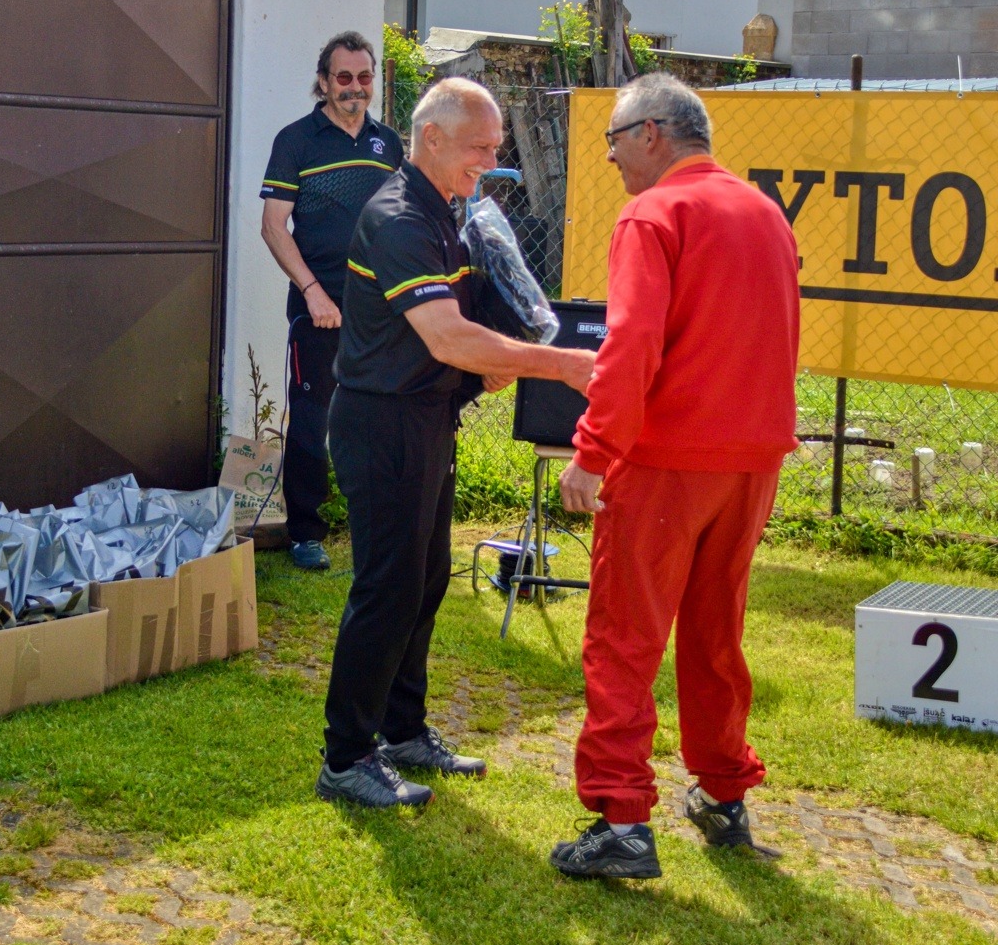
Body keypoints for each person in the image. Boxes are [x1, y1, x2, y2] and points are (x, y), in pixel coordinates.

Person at [316, 78, 597, 809]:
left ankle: (403, 730)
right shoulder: (398, 217)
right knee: (387, 588)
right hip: (383, 425)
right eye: (481, 147)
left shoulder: (448, 209)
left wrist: (489, 365)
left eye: (497, 147)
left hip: (428, 418)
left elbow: (461, 331)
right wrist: (562, 364)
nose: (493, 161)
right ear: (432, 138)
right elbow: (445, 336)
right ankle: (346, 758)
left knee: (426, 579)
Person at [552, 72, 800, 880]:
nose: (611, 157)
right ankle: (724, 795)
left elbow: (630, 346)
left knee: (623, 638)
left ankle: (622, 819)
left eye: (615, 139)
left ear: (652, 134)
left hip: (666, 461)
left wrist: (592, 452)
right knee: (715, 634)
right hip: (751, 460)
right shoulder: (764, 212)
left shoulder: (653, 214)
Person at [261, 32, 404, 571]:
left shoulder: (388, 144)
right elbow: (273, 227)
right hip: (319, 306)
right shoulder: (296, 141)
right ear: (323, 81)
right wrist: (312, 291)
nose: (355, 88)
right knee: (311, 418)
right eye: (343, 77)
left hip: (379, 307)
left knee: (381, 416)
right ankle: (305, 532)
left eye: (364, 77)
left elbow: (400, 220)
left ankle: (379, 519)